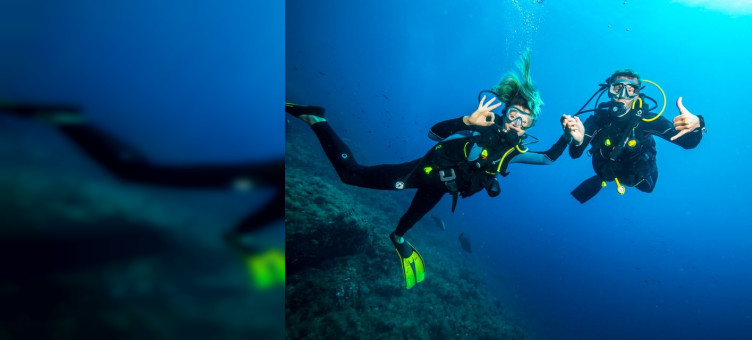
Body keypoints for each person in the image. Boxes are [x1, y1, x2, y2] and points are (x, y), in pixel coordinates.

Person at [285, 52, 573, 289]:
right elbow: (433, 134)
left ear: (531, 126)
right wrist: (466, 121)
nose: (516, 124)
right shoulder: (481, 126)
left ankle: (398, 239)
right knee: (350, 175)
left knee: (408, 221)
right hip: (423, 172)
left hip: (443, 188)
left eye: (525, 121)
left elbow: (547, 159)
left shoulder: (514, 153)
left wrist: (567, 136)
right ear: (505, 112)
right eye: (513, 115)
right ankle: (317, 119)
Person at [0, 103, 285, 290]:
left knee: (138, 171)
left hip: (254, 178)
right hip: (249, 178)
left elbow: (274, 207)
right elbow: (274, 207)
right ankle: (72, 122)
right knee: (136, 172)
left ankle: (74, 122)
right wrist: (243, 237)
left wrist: (244, 236)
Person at [562, 69, 706, 203]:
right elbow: (574, 153)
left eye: (630, 90)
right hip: (606, 169)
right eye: (617, 88)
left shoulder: (648, 120)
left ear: (637, 94)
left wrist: (698, 125)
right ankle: (602, 179)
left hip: (637, 173)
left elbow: (689, 143)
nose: (622, 95)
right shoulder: (598, 120)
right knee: (605, 175)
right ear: (609, 91)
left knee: (648, 188)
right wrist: (577, 142)